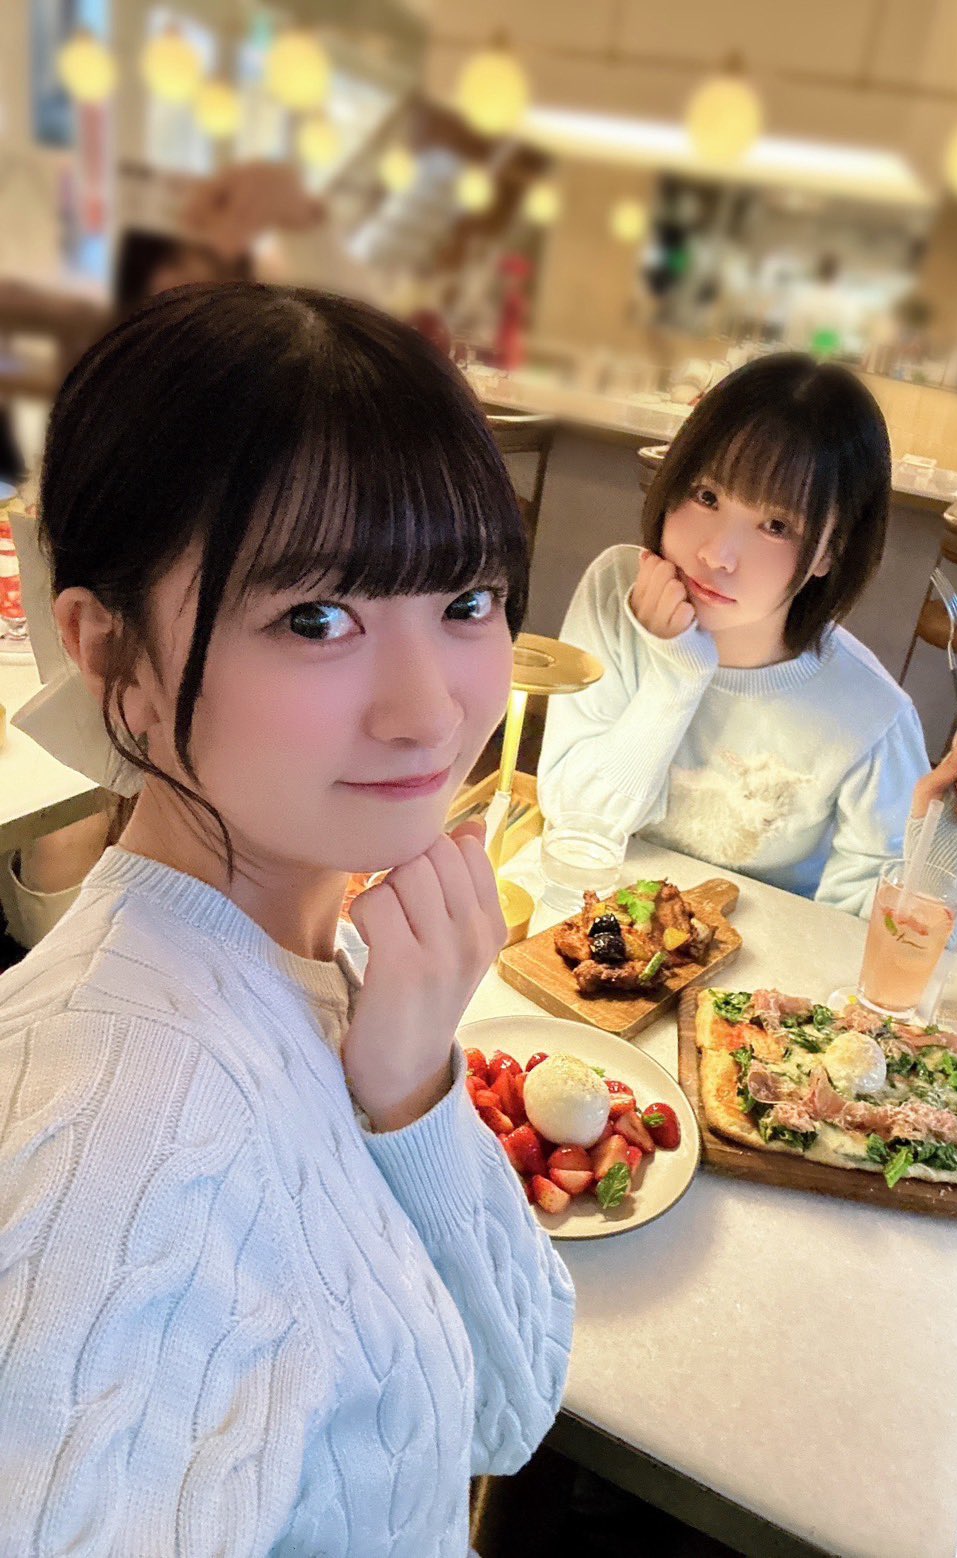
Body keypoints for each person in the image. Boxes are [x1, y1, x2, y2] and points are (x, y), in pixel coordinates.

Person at [0, 284, 574, 1553]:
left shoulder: (326, 962)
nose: (430, 712)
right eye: (317, 618)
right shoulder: (122, 1142)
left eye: (468, 600)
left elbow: (509, 1407)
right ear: (111, 654)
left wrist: (413, 1090)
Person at [538, 354, 957, 919]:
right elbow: (576, 820)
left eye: (776, 526)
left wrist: (937, 863)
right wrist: (676, 673)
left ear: (829, 553)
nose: (717, 554)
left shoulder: (871, 717)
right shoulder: (618, 593)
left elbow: (865, 936)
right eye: (707, 495)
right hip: (592, 932)